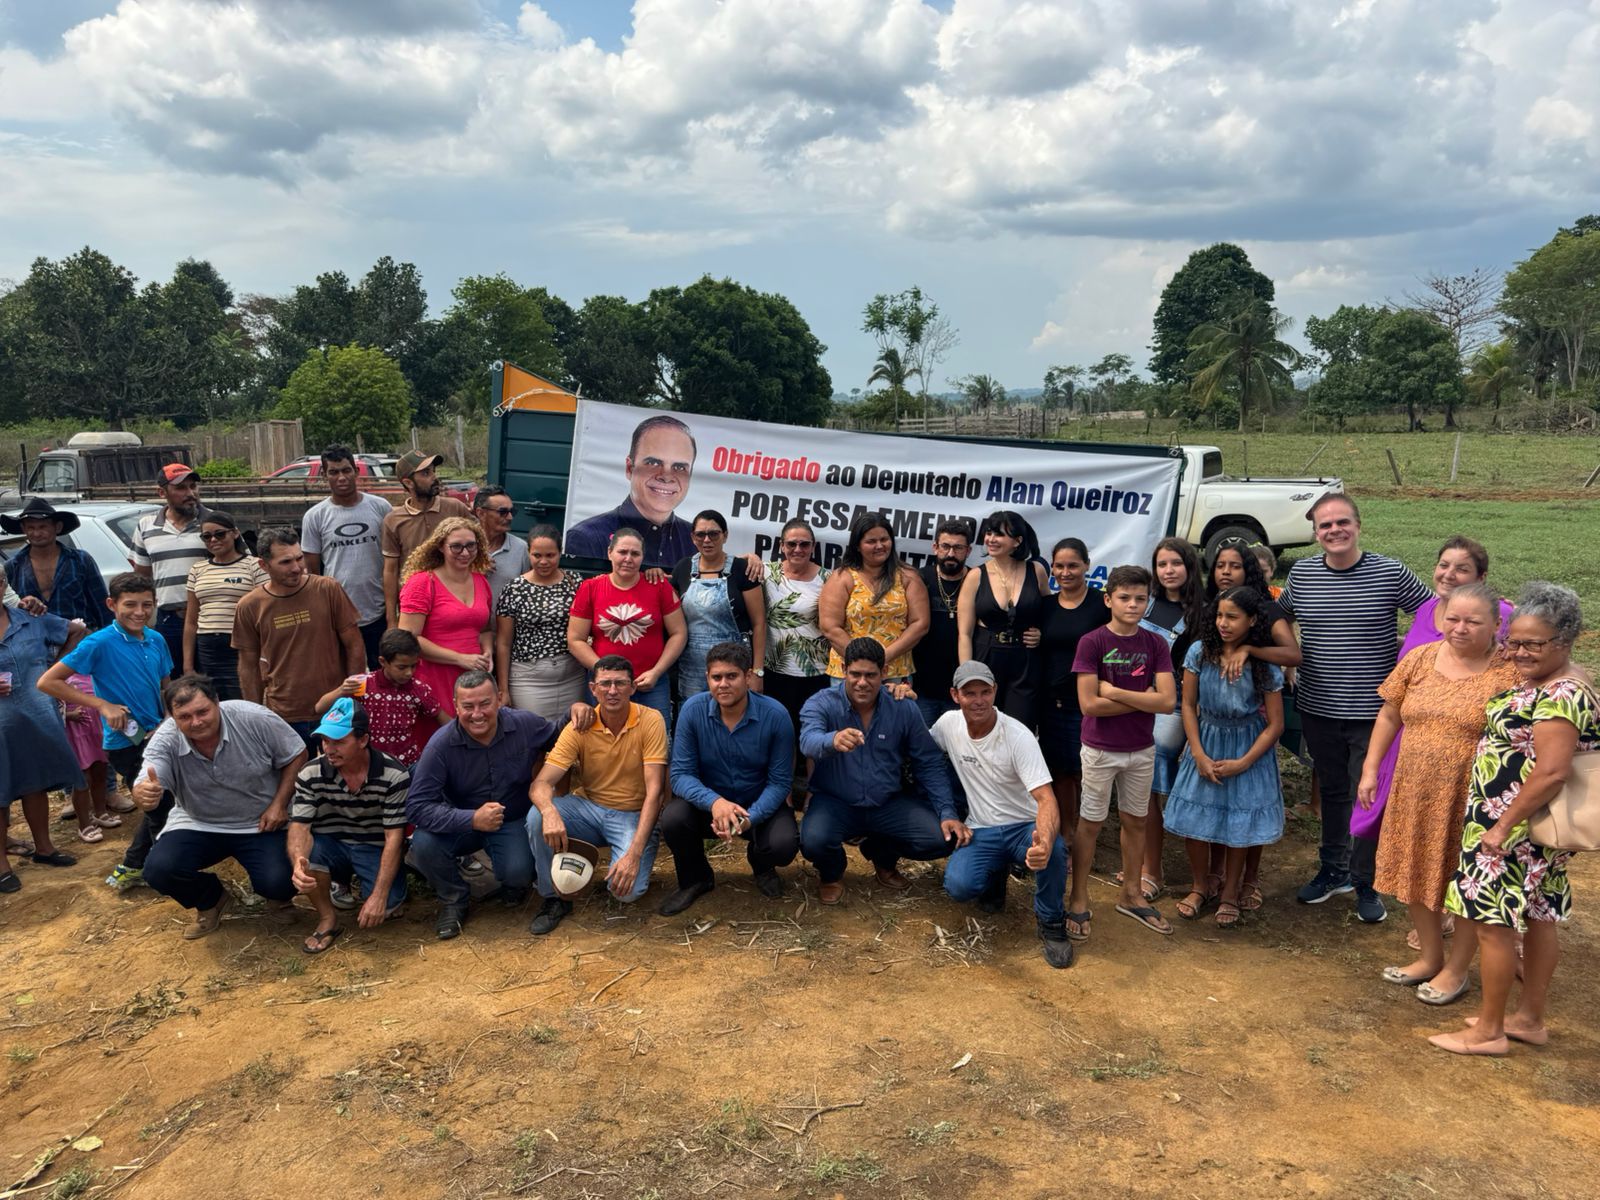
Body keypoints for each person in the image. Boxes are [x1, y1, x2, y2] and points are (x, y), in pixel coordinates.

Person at [1431, 582, 1596, 1056]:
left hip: (1513, 831)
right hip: (1528, 830)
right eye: (1514, 642)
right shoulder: (1554, 681)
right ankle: (1528, 1019)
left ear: (1565, 640)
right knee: (1540, 917)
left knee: (1494, 927)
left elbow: (1551, 771)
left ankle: (1489, 1031)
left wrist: (1501, 827)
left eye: (1533, 644)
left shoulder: (1562, 694)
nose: (1519, 652)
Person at [1356, 582, 1517, 1004]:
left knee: (1463, 881)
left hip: (1475, 795)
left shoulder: (1511, 671)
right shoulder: (1420, 658)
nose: (1460, 628)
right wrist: (1371, 770)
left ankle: (1457, 969)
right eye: (1453, 619)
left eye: (1473, 621)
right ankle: (1430, 958)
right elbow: (1390, 714)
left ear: (1498, 625)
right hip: (1414, 788)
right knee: (1416, 869)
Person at [1278, 493, 1430, 922]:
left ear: (1358, 526)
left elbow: (1435, 616)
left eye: (1342, 522)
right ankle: (1332, 870)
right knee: (1333, 791)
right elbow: (1278, 614)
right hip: (1318, 706)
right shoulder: (1304, 574)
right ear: (1315, 534)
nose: (1334, 531)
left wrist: (1406, 651)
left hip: (1374, 712)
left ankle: (1366, 882)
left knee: (1368, 796)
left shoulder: (1389, 572)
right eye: (1325, 526)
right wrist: (1290, 658)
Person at [1355, 536, 1514, 852]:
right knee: (1387, 818)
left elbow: (1531, 654)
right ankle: (1367, 885)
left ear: (1481, 579)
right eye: (1444, 565)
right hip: (1409, 732)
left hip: (1466, 743)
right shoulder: (1426, 609)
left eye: (1462, 569)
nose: (1449, 574)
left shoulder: (1506, 615)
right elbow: (1395, 698)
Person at [131, 675, 309, 940]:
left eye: (202, 711)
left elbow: (297, 754)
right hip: (198, 821)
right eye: (185, 717)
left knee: (281, 878)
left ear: (217, 702)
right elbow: (149, 775)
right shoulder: (166, 738)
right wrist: (142, 791)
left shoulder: (253, 718)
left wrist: (279, 804)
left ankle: (278, 898)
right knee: (159, 869)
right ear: (172, 716)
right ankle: (211, 900)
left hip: (261, 820)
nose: (196, 722)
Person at [932, 661, 1074, 968]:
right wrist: (897, 697)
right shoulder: (947, 725)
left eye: (985, 691)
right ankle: (996, 877)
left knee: (1055, 851)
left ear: (995, 691)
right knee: (959, 886)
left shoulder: (1017, 735)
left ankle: (1052, 922)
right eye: (970, 693)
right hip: (980, 827)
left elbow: (1045, 798)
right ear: (956, 695)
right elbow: (920, 753)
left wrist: (1045, 842)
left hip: (1024, 826)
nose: (979, 700)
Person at [798, 637, 959, 905]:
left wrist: (947, 811)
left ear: (884, 673)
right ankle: (831, 874)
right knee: (812, 840)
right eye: (855, 674)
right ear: (843, 670)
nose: (862, 682)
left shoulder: (903, 707)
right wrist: (832, 740)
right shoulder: (822, 703)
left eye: (871, 675)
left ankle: (881, 855)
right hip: (836, 801)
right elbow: (807, 740)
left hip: (886, 802)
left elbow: (928, 761)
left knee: (942, 839)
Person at [1163, 587, 1286, 928]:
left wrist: (1245, 761)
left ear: (1252, 620)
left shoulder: (1264, 664)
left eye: (1232, 617)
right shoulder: (1199, 653)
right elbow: (1187, 705)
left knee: (1239, 822)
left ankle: (1231, 891)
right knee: (1194, 819)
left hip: (1249, 748)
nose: (1223, 623)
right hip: (1206, 741)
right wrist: (1198, 752)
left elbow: (1276, 724)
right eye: (1219, 615)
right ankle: (1201, 885)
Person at [40, 573, 172, 890]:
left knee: (164, 802)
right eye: (130, 605)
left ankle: (134, 866)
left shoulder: (156, 639)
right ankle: (153, 869)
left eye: (147, 605)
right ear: (112, 605)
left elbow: (166, 684)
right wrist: (101, 705)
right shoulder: (98, 642)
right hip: (124, 741)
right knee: (158, 804)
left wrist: (169, 718)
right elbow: (47, 682)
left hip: (159, 735)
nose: (139, 612)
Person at [407, 671, 560, 940]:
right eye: (468, 706)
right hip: (460, 822)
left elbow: (559, 735)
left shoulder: (525, 724)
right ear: (455, 706)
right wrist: (470, 819)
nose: (477, 714)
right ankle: (454, 900)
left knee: (518, 874)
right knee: (423, 843)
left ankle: (513, 884)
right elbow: (417, 807)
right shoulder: (440, 746)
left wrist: (578, 710)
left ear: (499, 699)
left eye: (485, 704)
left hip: (511, 819)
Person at [1067, 565, 1177, 939]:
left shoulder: (1155, 644)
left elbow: (1166, 702)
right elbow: (1089, 706)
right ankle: (1079, 897)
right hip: (1100, 750)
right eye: (1125, 597)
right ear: (1108, 599)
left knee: (1136, 820)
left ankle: (1131, 894)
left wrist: (1113, 692)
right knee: (1091, 823)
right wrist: (1144, 700)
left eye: (1140, 598)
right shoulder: (1093, 642)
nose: (1133, 605)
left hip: (1141, 749)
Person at [527, 655, 669, 932]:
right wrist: (549, 812)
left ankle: (598, 859)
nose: (612, 691)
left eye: (620, 683)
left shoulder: (651, 720)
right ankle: (554, 895)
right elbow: (541, 784)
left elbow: (655, 792)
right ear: (593, 689)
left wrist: (634, 854)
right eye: (605, 684)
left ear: (632, 687)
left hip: (632, 814)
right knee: (536, 816)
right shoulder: (579, 726)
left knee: (626, 892)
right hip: (588, 809)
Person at [1202, 537, 1302, 910]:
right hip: (1214, 718)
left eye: (1235, 565)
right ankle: (1214, 873)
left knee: (1250, 805)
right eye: (1220, 565)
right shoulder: (1212, 607)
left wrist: (1249, 649)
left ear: (1249, 570)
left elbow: (1294, 654)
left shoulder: (1265, 610)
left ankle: (1249, 879)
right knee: (1216, 803)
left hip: (1254, 722)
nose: (1226, 572)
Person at [658, 641, 796, 914]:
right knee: (673, 819)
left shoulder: (775, 715)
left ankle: (761, 863)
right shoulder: (693, 711)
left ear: (747, 677)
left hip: (758, 805)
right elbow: (681, 775)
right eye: (716, 677)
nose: (723, 684)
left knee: (784, 844)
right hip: (709, 807)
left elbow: (780, 782)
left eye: (731, 676)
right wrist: (715, 802)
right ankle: (696, 878)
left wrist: (751, 818)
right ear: (707, 678)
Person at [287, 697, 411, 954]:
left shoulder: (394, 775)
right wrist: (298, 860)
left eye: (339, 741)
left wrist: (379, 896)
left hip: (373, 846)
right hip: (331, 845)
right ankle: (327, 918)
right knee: (308, 857)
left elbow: (394, 838)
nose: (329, 749)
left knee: (387, 906)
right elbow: (299, 826)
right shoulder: (309, 773)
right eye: (325, 740)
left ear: (363, 740)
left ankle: (362, 887)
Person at [233, 528, 366, 746]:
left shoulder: (327, 588)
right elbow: (248, 665)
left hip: (335, 706)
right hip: (285, 712)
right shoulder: (249, 606)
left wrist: (353, 698)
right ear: (264, 565)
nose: (297, 568)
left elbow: (354, 644)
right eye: (285, 562)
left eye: (299, 558)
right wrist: (255, 714)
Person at [1133, 536, 1205, 906]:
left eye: (1176, 563)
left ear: (1189, 567)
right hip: (1136, 700)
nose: (1169, 570)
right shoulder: (1145, 604)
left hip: (1176, 705)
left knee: (1152, 775)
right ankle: (1145, 866)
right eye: (1162, 564)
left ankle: (1155, 871)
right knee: (1139, 789)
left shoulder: (1202, 612)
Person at [0, 599, 86, 890]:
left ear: (2, 585)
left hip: (34, 713)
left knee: (34, 781)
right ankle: (1, 864)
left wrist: (53, 672)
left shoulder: (30, 617)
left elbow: (75, 632)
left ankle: (44, 848)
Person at [567, 528, 686, 732]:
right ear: (609, 553)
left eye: (635, 554)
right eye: (622, 552)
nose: (628, 559)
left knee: (658, 741)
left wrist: (657, 672)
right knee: (603, 741)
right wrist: (604, 673)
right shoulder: (590, 588)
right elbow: (575, 640)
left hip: (651, 684)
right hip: (605, 686)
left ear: (643, 557)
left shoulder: (658, 586)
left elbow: (679, 633)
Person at [1036, 537, 1109, 848]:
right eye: (1059, 566)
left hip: (1088, 703)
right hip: (1051, 702)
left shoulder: (1101, 604)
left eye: (1073, 566)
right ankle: (1067, 834)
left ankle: (1087, 833)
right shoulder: (1044, 607)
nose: (1066, 572)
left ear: (1087, 566)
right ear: (1052, 569)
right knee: (1061, 772)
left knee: (1087, 772)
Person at [564, 413, 697, 569]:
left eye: (679, 467)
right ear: (629, 468)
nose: (666, 477)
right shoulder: (588, 538)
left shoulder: (696, 542)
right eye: (653, 463)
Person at [302, 444, 394, 668]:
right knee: (346, 677)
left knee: (381, 674)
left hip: (379, 610)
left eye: (346, 470)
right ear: (324, 476)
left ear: (356, 471)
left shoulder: (381, 507)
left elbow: (393, 558)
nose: (341, 477)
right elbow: (313, 572)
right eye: (334, 472)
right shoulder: (315, 516)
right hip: (338, 614)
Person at [956, 511, 1048, 727]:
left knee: (1020, 727)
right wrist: (968, 675)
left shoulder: (1037, 571)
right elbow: (964, 633)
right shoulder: (976, 575)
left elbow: (1051, 613)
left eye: (999, 534)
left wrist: (1042, 633)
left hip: (1025, 662)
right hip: (986, 657)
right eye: (988, 533)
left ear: (1017, 541)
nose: (990, 539)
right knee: (984, 726)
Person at [398, 517, 494, 721]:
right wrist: (459, 658)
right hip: (434, 675)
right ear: (441, 546)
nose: (465, 553)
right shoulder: (423, 582)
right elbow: (407, 639)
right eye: (456, 547)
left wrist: (488, 653)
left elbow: (485, 629)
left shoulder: (480, 581)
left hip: (473, 677)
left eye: (471, 546)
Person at [818, 513, 930, 685]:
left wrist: (883, 658)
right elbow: (830, 627)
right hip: (850, 675)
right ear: (857, 546)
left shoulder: (908, 577)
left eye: (884, 539)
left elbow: (920, 624)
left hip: (894, 673)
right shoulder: (842, 578)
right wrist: (862, 662)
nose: (879, 545)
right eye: (871, 541)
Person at [315, 628, 448, 767]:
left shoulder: (419, 689)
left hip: (406, 764)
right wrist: (341, 690)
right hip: (368, 764)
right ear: (383, 661)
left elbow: (445, 721)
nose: (409, 673)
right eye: (401, 667)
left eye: (413, 666)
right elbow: (319, 707)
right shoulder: (363, 684)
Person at [670, 509, 766, 700]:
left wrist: (757, 672)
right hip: (692, 669)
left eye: (714, 534)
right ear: (692, 537)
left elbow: (759, 623)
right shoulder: (683, 568)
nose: (707, 540)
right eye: (700, 534)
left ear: (725, 535)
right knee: (694, 717)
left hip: (734, 667)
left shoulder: (742, 569)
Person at [494, 524, 585, 722]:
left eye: (550, 555)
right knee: (534, 737)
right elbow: (503, 642)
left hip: (573, 676)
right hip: (529, 680)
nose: (543, 561)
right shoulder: (515, 588)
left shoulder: (575, 582)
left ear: (560, 553)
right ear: (528, 553)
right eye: (537, 555)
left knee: (570, 738)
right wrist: (503, 689)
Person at [131, 462, 209, 674]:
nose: (190, 493)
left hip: (209, 619)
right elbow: (142, 579)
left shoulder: (214, 522)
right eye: (181, 488)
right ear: (162, 492)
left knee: (212, 684)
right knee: (174, 683)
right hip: (170, 619)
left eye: (193, 486)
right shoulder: (146, 526)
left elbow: (241, 565)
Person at [181, 511, 266, 701]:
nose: (213, 540)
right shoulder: (198, 569)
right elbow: (191, 620)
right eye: (206, 536)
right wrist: (188, 665)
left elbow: (265, 611)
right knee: (213, 700)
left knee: (246, 698)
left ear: (235, 533)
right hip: (207, 646)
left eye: (220, 534)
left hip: (242, 644)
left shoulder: (254, 565)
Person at [381, 451, 472, 628]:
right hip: (414, 607)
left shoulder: (456, 508)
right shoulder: (393, 521)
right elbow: (390, 571)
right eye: (425, 473)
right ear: (408, 482)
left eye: (433, 471)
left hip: (455, 603)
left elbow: (477, 545)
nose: (434, 477)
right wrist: (391, 619)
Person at [762, 517, 833, 735]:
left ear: (813, 547)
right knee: (781, 735)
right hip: (775, 670)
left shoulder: (829, 578)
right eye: (791, 544)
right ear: (782, 546)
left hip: (817, 672)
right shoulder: (765, 572)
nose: (798, 549)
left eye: (804, 544)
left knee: (814, 734)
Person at [3, 497, 109, 629]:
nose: (36, 533)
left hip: (81, 643)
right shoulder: (13, 567)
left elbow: (102, 608)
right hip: (34, 645)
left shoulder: (81, 560)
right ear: (23, 529)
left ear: (57, 527)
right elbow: (7, 613)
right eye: (31, 527)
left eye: (43, 527)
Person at [913, 518, 973, 729]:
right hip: (922, 685)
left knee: (957, 750)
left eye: (958, 548)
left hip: (962, 686)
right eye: (945, 546)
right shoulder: (919, 578)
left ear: (968, 550)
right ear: (935, 547)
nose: (950, 554)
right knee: (921, 746)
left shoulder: (978, 580)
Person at [61, 671, 117, 843]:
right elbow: (51, 707)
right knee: (82, 779)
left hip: (98, 729)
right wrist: (70, 716)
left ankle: (101, 812)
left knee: (100, 770)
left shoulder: (97, 672)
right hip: (77, 734)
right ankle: (84, 823)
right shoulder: (60, 675)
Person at [472, 486, 531, 605]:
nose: (510, 517)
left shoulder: (521, 548)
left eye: (512, 512)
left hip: (504, 623)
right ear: (481, 513)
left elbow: (527, 591)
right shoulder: (461, 545)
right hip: (467, 622)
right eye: (503, 512)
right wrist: (472, 571)